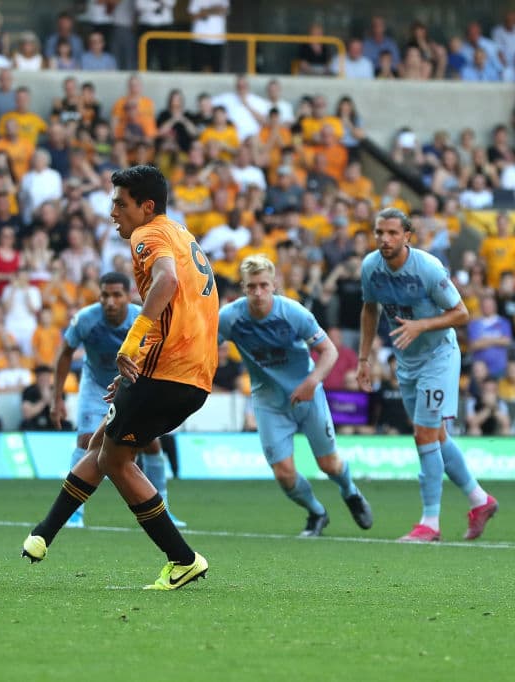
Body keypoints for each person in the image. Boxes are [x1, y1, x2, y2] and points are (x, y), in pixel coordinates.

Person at [22, 165, 218, 590]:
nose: (112, 211)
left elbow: (165, 283)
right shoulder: (180, 234)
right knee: (101, 444)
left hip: (169, 370)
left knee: (115, 459)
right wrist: (138, 369)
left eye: (119, 203)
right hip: (192, 372)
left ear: (146, 206)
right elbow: (180, 310)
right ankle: (42, 535)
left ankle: (183, 559)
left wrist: (131, 345)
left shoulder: (147, 235)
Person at [357, 208, 498, 542]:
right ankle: (480, 500)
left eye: (392, 233)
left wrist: (421, 325)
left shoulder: (429, 268)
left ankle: (430, 523)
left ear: (407, 236)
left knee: (424, 435)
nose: (385, 239)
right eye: (379, 233)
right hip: (407, 361)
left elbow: (461, 313)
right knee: (436, 435)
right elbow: (369, 308)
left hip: (438, 356)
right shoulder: (370, 267)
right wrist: (364, 358)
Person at [218, 255, 373, 536]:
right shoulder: (229, 318)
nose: (258, 292)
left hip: (308, 395)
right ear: (243, 287)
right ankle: (317, 512)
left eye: (263, 285)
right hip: (268, 402)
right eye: (251, 286)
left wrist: (312, 381)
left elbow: (329, 351)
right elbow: (206, 346)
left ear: (274, 284)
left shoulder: (293, 313)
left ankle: (350, 491)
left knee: (329, 465)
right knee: (284, 474)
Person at [51, 270, 188, 529]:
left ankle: (165, 509)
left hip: (131, 386)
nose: (110, 301)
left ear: (128, 296)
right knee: (86, 441)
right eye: (105, 295)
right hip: (95, 386)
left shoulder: (142, 318)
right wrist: (56, 397)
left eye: (116, 295)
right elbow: (65, 353)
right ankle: (74, 513)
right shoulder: (85, 320)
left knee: (151, 445)